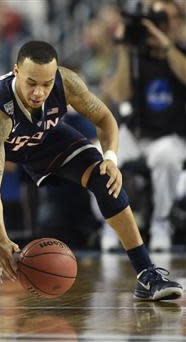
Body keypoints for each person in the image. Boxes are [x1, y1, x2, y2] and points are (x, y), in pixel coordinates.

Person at [0, 40, 181, 301]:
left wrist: (110, 158)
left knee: (104, 178)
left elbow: (105, 119)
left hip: (41, 138)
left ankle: (147, 274)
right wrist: (1, 241)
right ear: (16, 71)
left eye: (46, 84)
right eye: (31, 83)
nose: (39, 92)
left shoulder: (66, 82)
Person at [102, 0, 186, 252]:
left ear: (178, 23)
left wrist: (168, 46)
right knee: (98, 155)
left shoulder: (180, 50)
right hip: (136, 133)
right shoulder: (137, 54)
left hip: (172, 136)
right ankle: (111, 224)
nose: (158, 26)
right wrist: (124, 49)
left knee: (166, 157)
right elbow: (118, 94)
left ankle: (161, 223)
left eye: (165, 19)